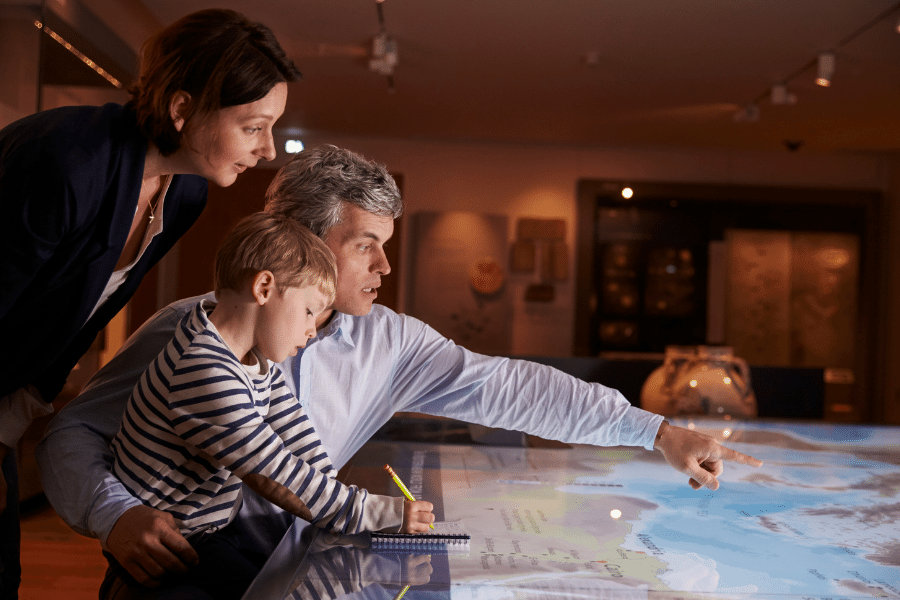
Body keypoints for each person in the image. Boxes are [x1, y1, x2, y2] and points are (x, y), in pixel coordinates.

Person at [36, 145, 762, 599]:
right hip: (168, 572)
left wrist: (656, 431)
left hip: (290, 571)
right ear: (303, 242)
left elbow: (513, 388)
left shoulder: (392, 344)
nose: (385, 266)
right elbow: (71, 434)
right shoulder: (188, 330)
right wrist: (115, 514)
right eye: (367, 245)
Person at [0, 8, 299, 597]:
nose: (266, 150)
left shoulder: (183, 191)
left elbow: (83, 315)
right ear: (182, 108)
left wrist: (18, 413)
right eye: (253, 126)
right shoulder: (64, 163)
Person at [107, 212, 433, 599]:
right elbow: (275, 475)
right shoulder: (204, 371)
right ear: (264, 287)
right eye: (309, 311)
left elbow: (299, 439)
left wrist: (342, 501)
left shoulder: (252, 358)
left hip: (206, 534)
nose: (313, 329)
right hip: (168, 549)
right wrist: (379, 514)